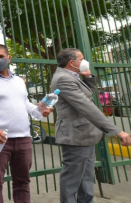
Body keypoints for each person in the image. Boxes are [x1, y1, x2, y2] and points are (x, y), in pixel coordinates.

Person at [0, 44, 52, 203]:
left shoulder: (19, 81)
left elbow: (25, 103)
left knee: (22, 181)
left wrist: (39, 111)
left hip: (23, 139)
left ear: (9, 58)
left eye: (1, 56)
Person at [51, 48, 131, 203]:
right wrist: (116, 131)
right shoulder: (63, 78)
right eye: (81, 58)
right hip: (75, 136)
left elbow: (87, 96)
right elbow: (86, 107)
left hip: (84, 134)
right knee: (72, 178)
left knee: (86, 177)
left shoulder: (71, 76)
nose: (85, 61)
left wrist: (88, 78)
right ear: (72, 63)